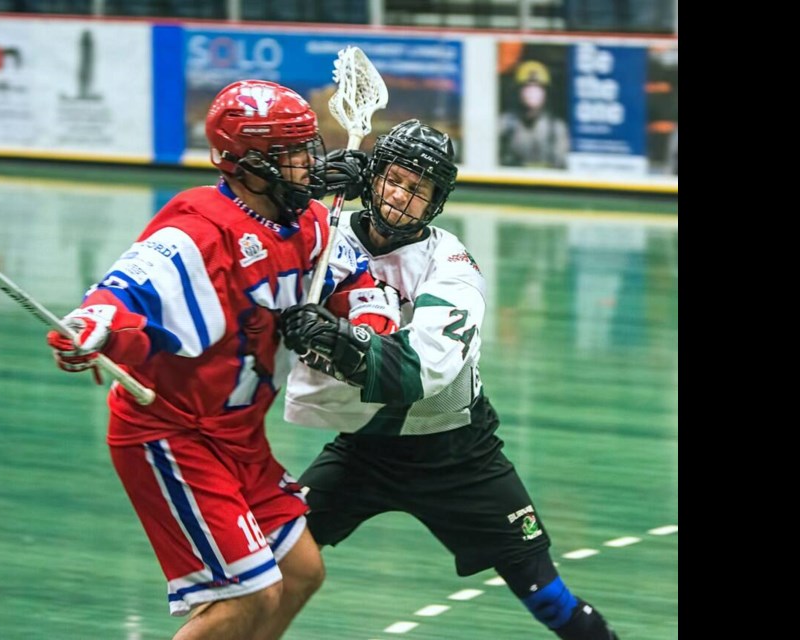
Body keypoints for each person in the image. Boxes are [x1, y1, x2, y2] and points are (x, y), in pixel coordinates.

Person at [45, 79, 372, 640]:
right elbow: (121, 295)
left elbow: (360, 285)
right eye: (292, 154)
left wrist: (360, 333)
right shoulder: (197, 229)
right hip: (172, 434)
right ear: (247, 165)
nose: (309, 165)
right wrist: (93, 326)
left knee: (299, 573)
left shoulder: (313, 223)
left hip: (238, 437)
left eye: (307, 148)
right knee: (248, 595)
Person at [280, 119, 620, 639]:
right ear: (371, 176)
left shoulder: (453, 266)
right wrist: (304, 195)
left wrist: (338, 342)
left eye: (418, 190)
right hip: (365, 447)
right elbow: (250, 247)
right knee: (270, 564)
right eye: (393, 179)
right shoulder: (327, 232)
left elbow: (425, 368)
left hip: (457, 453)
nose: (400, 197)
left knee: (546, 595)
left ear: (436, 202)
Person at [499, 60, 570, 169]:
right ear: (518, 92)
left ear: (545, 93)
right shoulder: (505, 124)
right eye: (527, 88)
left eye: (538, 88)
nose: (532, 93)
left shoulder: (556, 128)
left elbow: (562, 166)